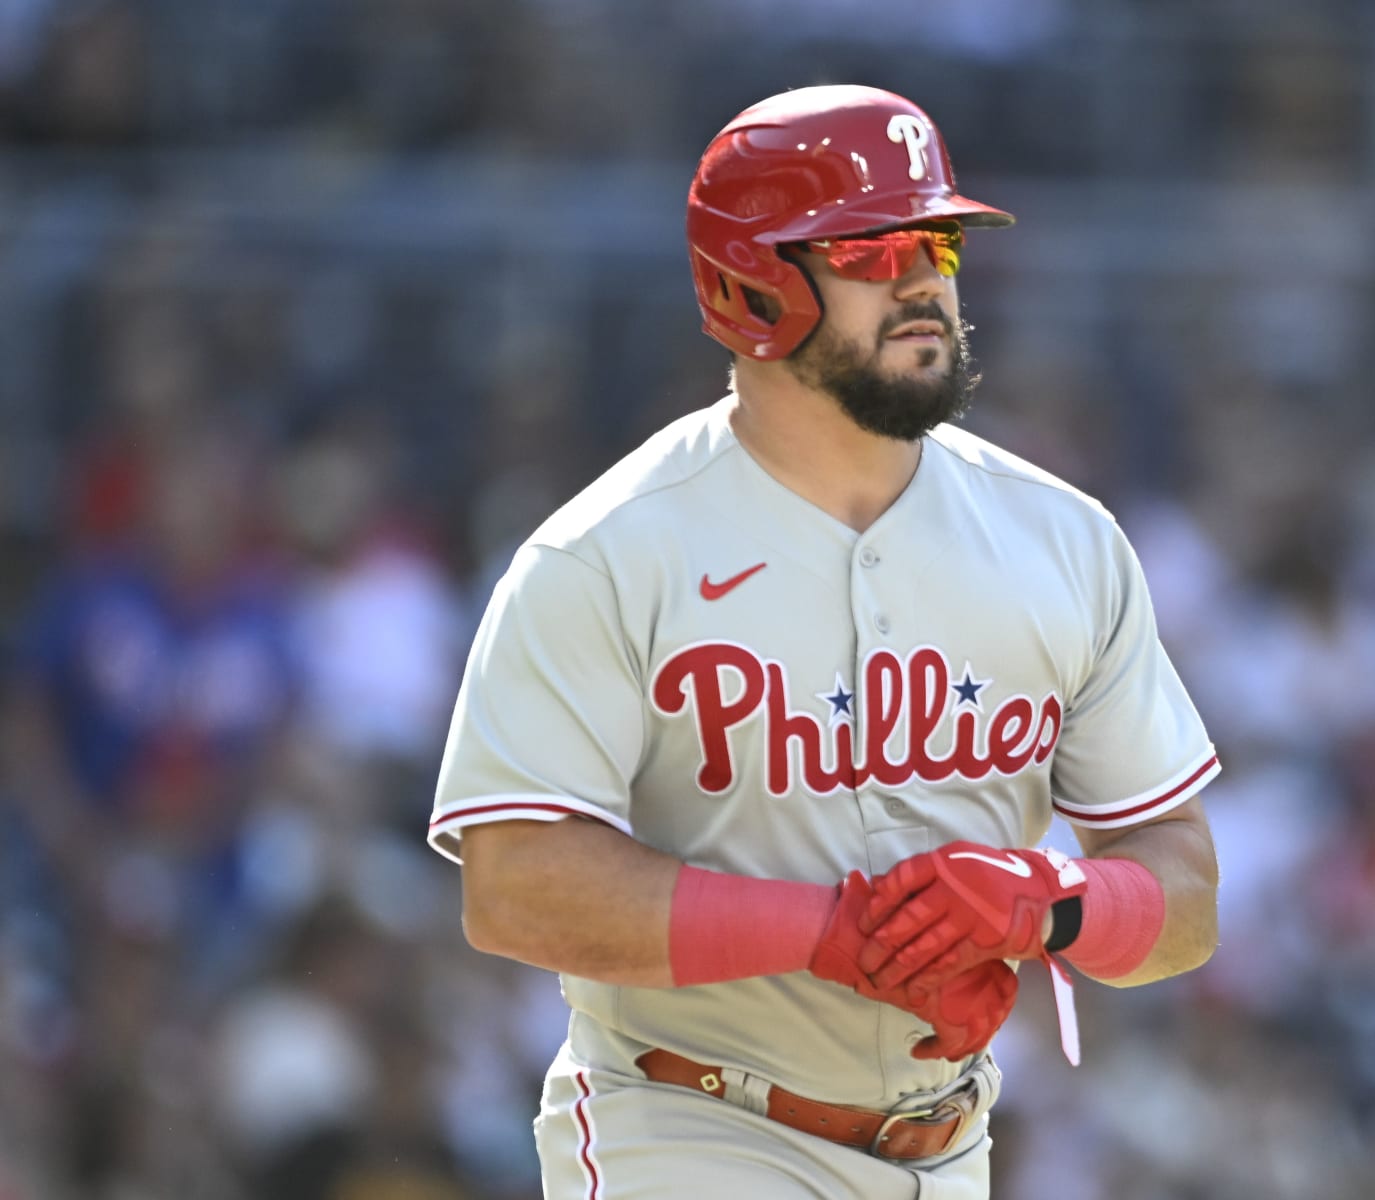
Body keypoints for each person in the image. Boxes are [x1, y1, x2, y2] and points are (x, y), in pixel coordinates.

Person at [427, 83, 1222, 1199]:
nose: (921, 282)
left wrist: (1050, 901)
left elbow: (1185, 889)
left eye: (937, 242)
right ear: (751, 282)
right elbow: (512, 889)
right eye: (870, 247)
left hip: (951, 1146)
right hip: (689, 1124)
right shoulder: (605, 555)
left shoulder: (1065, 540)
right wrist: (827, 932)